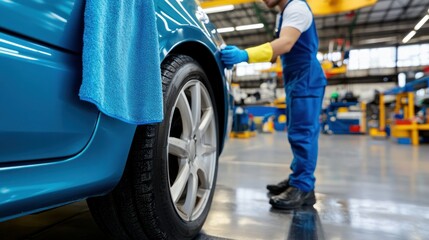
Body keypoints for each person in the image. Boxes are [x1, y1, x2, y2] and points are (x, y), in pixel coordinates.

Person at [221, 0, 326, 210]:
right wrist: (270, 53)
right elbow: (279, 49)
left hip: (306, 79)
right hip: (295, 80)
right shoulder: (283, 14)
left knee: (303, 134)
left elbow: (286, 43)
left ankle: (303, 188)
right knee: (297, 133)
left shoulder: (296, 8)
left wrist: (245, 54)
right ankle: (297, 178)